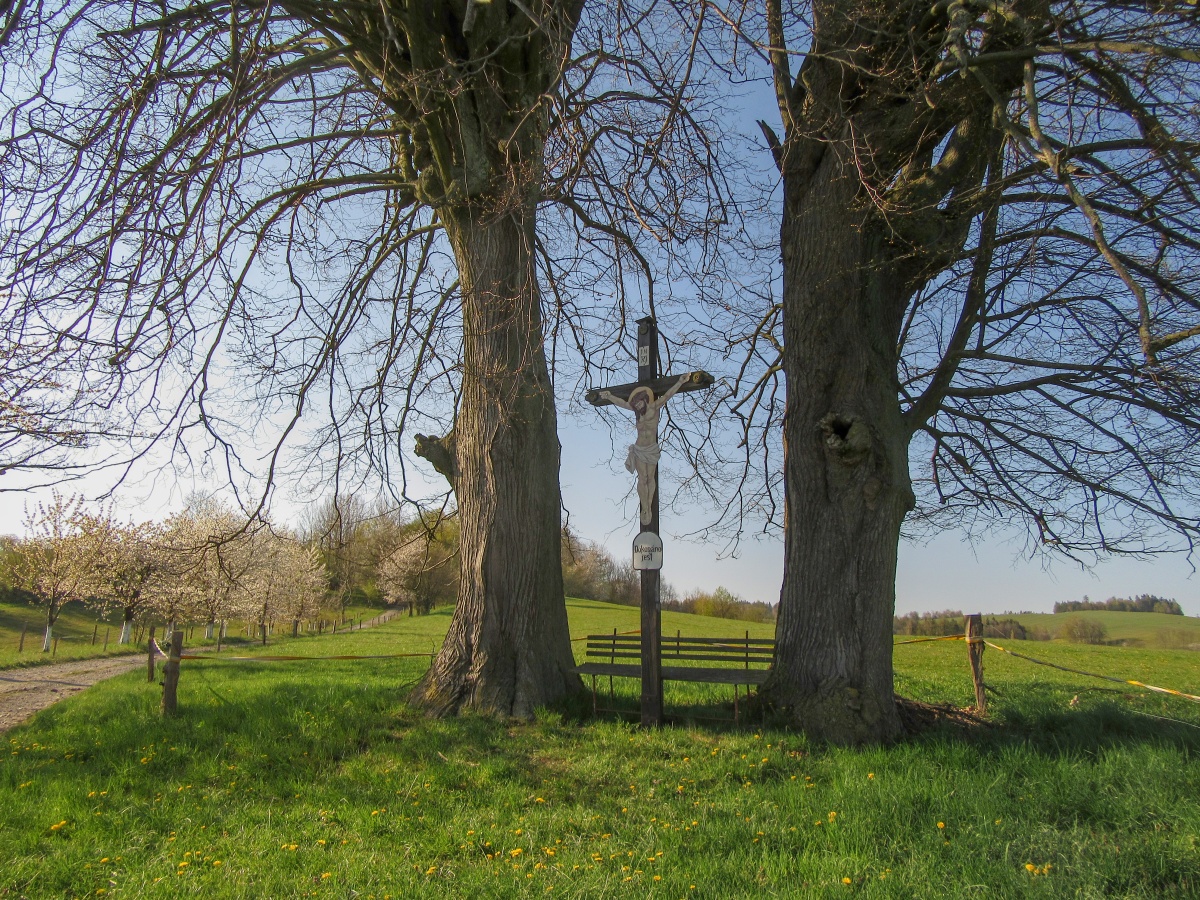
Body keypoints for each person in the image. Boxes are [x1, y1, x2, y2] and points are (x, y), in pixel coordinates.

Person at [598, 374, 689, 525]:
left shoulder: (655, 406)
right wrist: (609, 396)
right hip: (640, 448)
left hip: (652, 448)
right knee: (642, 478)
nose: (637, 407)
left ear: (645, 400)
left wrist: (679, 382)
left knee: (650, 477)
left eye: (639, 404)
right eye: (636, 405)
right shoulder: (636, 411)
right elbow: (622, 403)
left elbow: (668, 395)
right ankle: (645, 507)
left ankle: (650, 504)